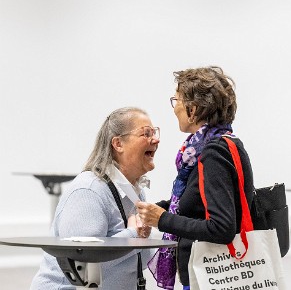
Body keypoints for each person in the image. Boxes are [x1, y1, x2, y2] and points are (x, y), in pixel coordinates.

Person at [136, 66, 254, 290]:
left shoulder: (213, 152)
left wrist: (162, 219)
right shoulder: (221, 144)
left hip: (211, 276)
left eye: (176, 100)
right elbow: (198, 204)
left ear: (193, 110)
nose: (174, 109)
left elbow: (222, 228)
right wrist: (157, 210)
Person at [31, 107, 160, 289]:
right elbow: (81, 264)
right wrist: (133, 235)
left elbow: (138, 255)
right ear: (118, 144)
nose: (156, 139)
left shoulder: (135, 191)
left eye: (155, 133)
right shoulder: (88, 190)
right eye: (146, 133)